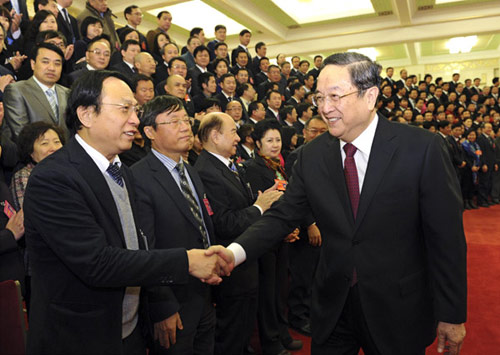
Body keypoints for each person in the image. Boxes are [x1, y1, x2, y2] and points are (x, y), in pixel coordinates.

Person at [208, 52, 467, 355]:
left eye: (335, 96)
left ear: (370, 96)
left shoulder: (421, 148)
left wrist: (452, 314)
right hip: (333, 306)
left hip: (397, 308)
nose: (325, 108)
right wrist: (233, 253)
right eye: (319, 97)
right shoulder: (311, 156)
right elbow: (281, 216)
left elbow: (446, 238)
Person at [23, 70, 229, 354]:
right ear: (86, 115)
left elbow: (139, 246)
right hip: (80, 337)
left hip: (130, 331)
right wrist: (186, 261)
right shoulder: (54, 177)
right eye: (124, 109)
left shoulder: (122, 172)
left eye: (136, 109)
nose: (134, 119)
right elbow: (97, 262)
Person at [131, 95, 217, 354]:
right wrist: (162, 307)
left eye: (186, 120)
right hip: (171, 300)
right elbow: (145, 250)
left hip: (204, 292)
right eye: (173, 121)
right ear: (149, 132)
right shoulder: (138, 177)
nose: (184, 127)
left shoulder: (190, 170)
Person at [194, 112, 282, 355]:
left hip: (245, 262)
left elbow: (238, 206)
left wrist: (260, 200)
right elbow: (223, 223)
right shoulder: (206, 171)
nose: (238, 137)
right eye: (233, 131)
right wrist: (259, 207)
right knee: (231, 333)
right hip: (231, 266)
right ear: (215, 135)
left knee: (241, 329)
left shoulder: (224, 165)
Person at [243, 119, 302, 354]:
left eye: (278, 140)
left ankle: (282, 332)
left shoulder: (277, 165)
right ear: (257, 143)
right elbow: (262, 205)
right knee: (268, 293)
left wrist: (291, 227)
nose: (275, 144)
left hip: (282, 237)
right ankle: (270, 341)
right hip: (266, 239)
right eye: (269, 140)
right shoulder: (253, 167)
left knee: (280, 291)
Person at [3, 43, 69, 141]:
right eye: (45, 62)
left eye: (57, 63)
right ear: (33, 64)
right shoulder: (17, 90)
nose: (51, 68)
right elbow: (21, 133)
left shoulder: (67, 93)